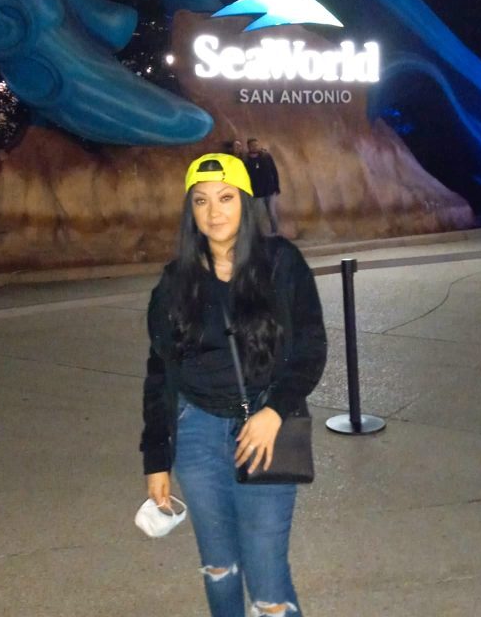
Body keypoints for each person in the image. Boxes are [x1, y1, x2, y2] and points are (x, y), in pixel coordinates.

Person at [140, 153, 326, 617]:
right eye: (200, 201)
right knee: (218, 567)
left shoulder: (281, 264)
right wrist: (156, 460)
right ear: (191, 211)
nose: (214, 211)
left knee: (267, 586)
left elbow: (310, 347)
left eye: (225, 197)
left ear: (245, 201)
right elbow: (159, 373)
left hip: (263, 432)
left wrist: (275, 411)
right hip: (197, 434)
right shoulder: (174, 282)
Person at [244, 138, 280, 234]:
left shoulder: (266, 156)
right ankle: (260, 235)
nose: (255, 147)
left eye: (256, 145)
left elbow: (274, 171)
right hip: (256, 192)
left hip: (269, 189)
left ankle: (275, 233)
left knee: (272, 213)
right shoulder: (246, 160)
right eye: (252, 145)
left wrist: (277, 186)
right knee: (258, 215)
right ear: (248, 147)